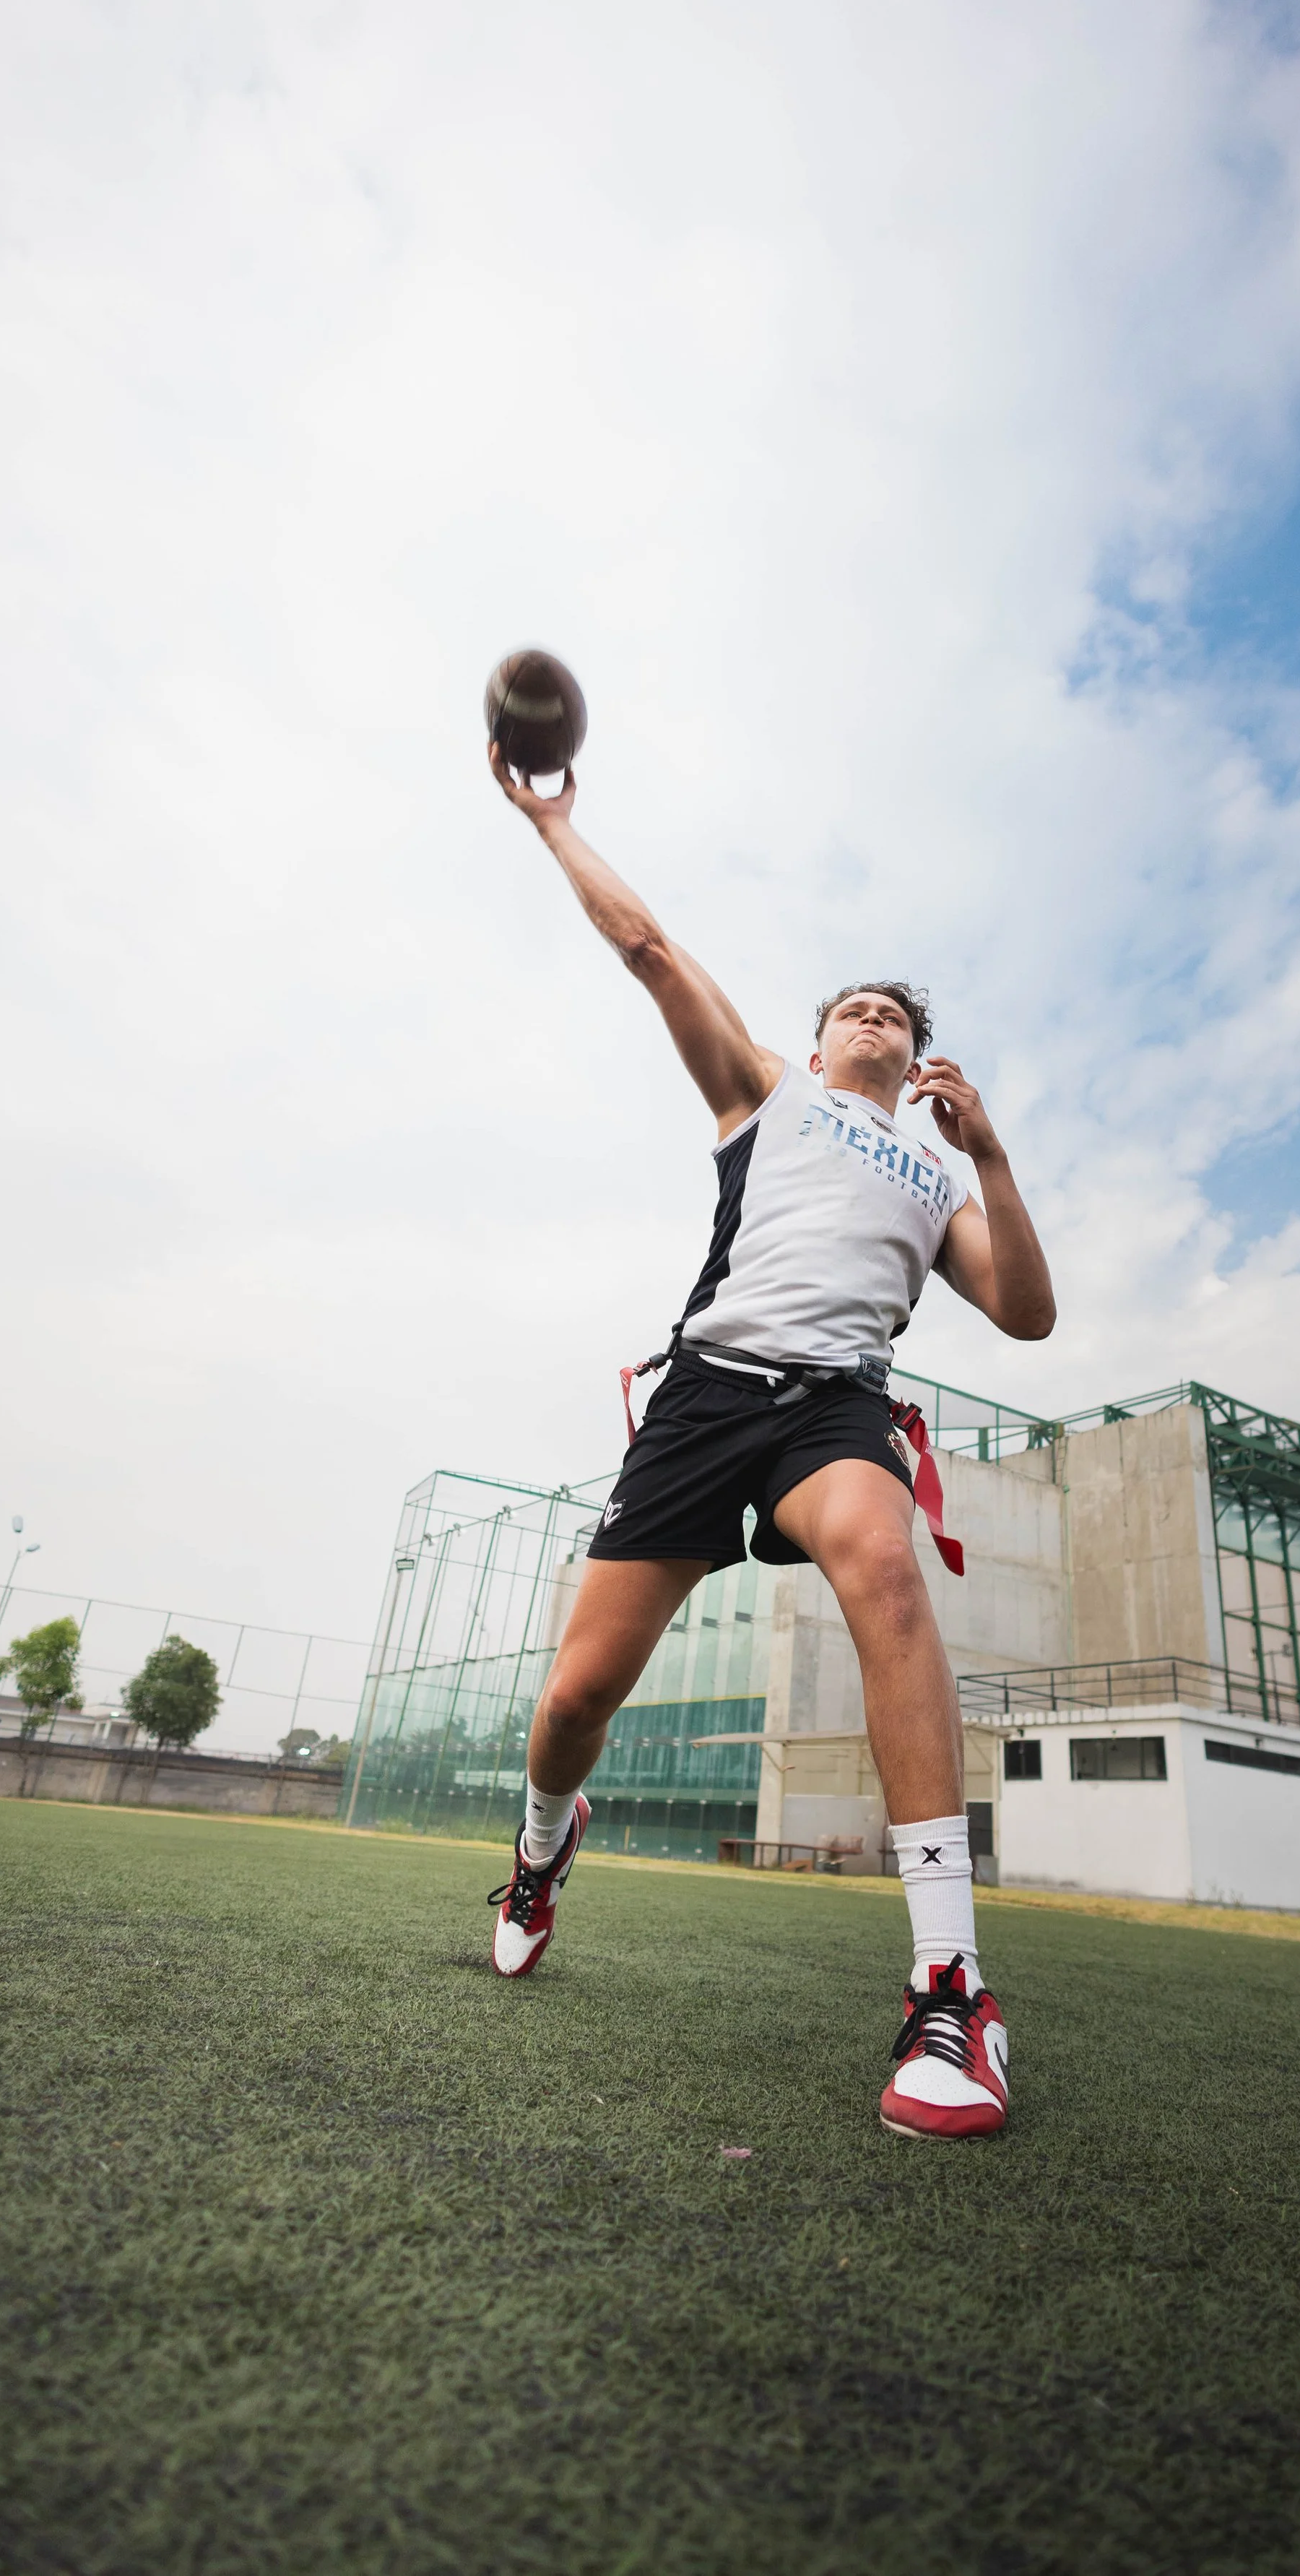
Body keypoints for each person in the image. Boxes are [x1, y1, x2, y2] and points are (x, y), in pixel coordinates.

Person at [486, 737, 1056, 2138]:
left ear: (916, 1063)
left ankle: (949, 1988)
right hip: (705, 1395)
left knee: (881, 1562)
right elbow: (652, 951)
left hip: (834, 1407)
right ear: (814, 1048)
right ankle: (537, 1860)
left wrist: (988, 1153)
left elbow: (1028, 1315)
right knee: (574, 1703)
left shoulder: (932, 1170)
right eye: (850, 1006)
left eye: (893, 1016)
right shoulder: (767, 1096)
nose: (870, 1015)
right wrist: (553, 827)